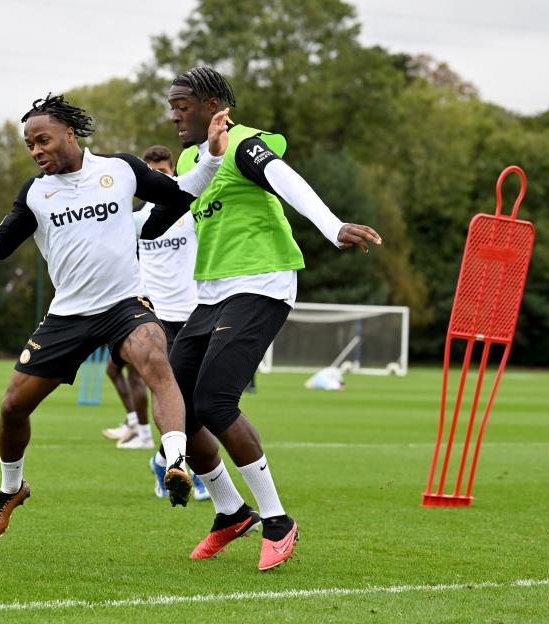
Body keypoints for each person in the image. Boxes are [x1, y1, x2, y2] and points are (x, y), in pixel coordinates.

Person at [0, 93, 230, 540]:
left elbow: (179, 193)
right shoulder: (35, 193)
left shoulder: (120, 169)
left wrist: (212, 156)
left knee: (157, 362)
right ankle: (11, 488)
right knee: (13, 407)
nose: (36, 150)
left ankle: (175, 460)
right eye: (29, 145)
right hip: (68, 316)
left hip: (124, 305)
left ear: (69, 133)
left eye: (43, 140)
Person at [165, 67, 382, 570]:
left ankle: (277, 520)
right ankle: (230, 512)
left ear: (214, 106)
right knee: (179, 408)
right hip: (211, 292)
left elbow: (287, 181)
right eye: (171, 106)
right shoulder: (191, 159)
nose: (174, 115)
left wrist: (332, 226)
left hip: (262, 283)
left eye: (182, 105)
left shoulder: (244, 143)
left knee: (216, 401)